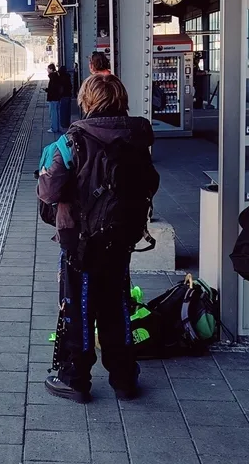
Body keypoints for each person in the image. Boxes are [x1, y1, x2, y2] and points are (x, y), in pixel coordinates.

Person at [37, 74, 160, 403]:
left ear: (86, 101)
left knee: (77, 308)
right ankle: (124, 379)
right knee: (116, 306)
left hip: (81, 241)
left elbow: (49, 192)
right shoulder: (137, 136)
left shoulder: (73, 139)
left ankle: (75, 379)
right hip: (121, 238)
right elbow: (150, 182)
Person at [44, 63, 62, 133]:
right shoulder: (56, 76)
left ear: (51, 69)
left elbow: (53, 89)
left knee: (53, 114)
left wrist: (47, 90)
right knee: (56, 113)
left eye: (48, 69)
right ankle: (56, 127)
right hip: (56, 98)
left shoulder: (53, 77)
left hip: (53, 98)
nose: (47, 70)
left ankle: (54, 128)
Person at [58, 65, 73, 129]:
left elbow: (60, 88)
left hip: (63, 96)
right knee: (68, 111)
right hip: (69, 95)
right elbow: (70, 86)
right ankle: (67, 123)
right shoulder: (68, 77)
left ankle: (63, 124)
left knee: (63, 111)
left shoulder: (61, 78)